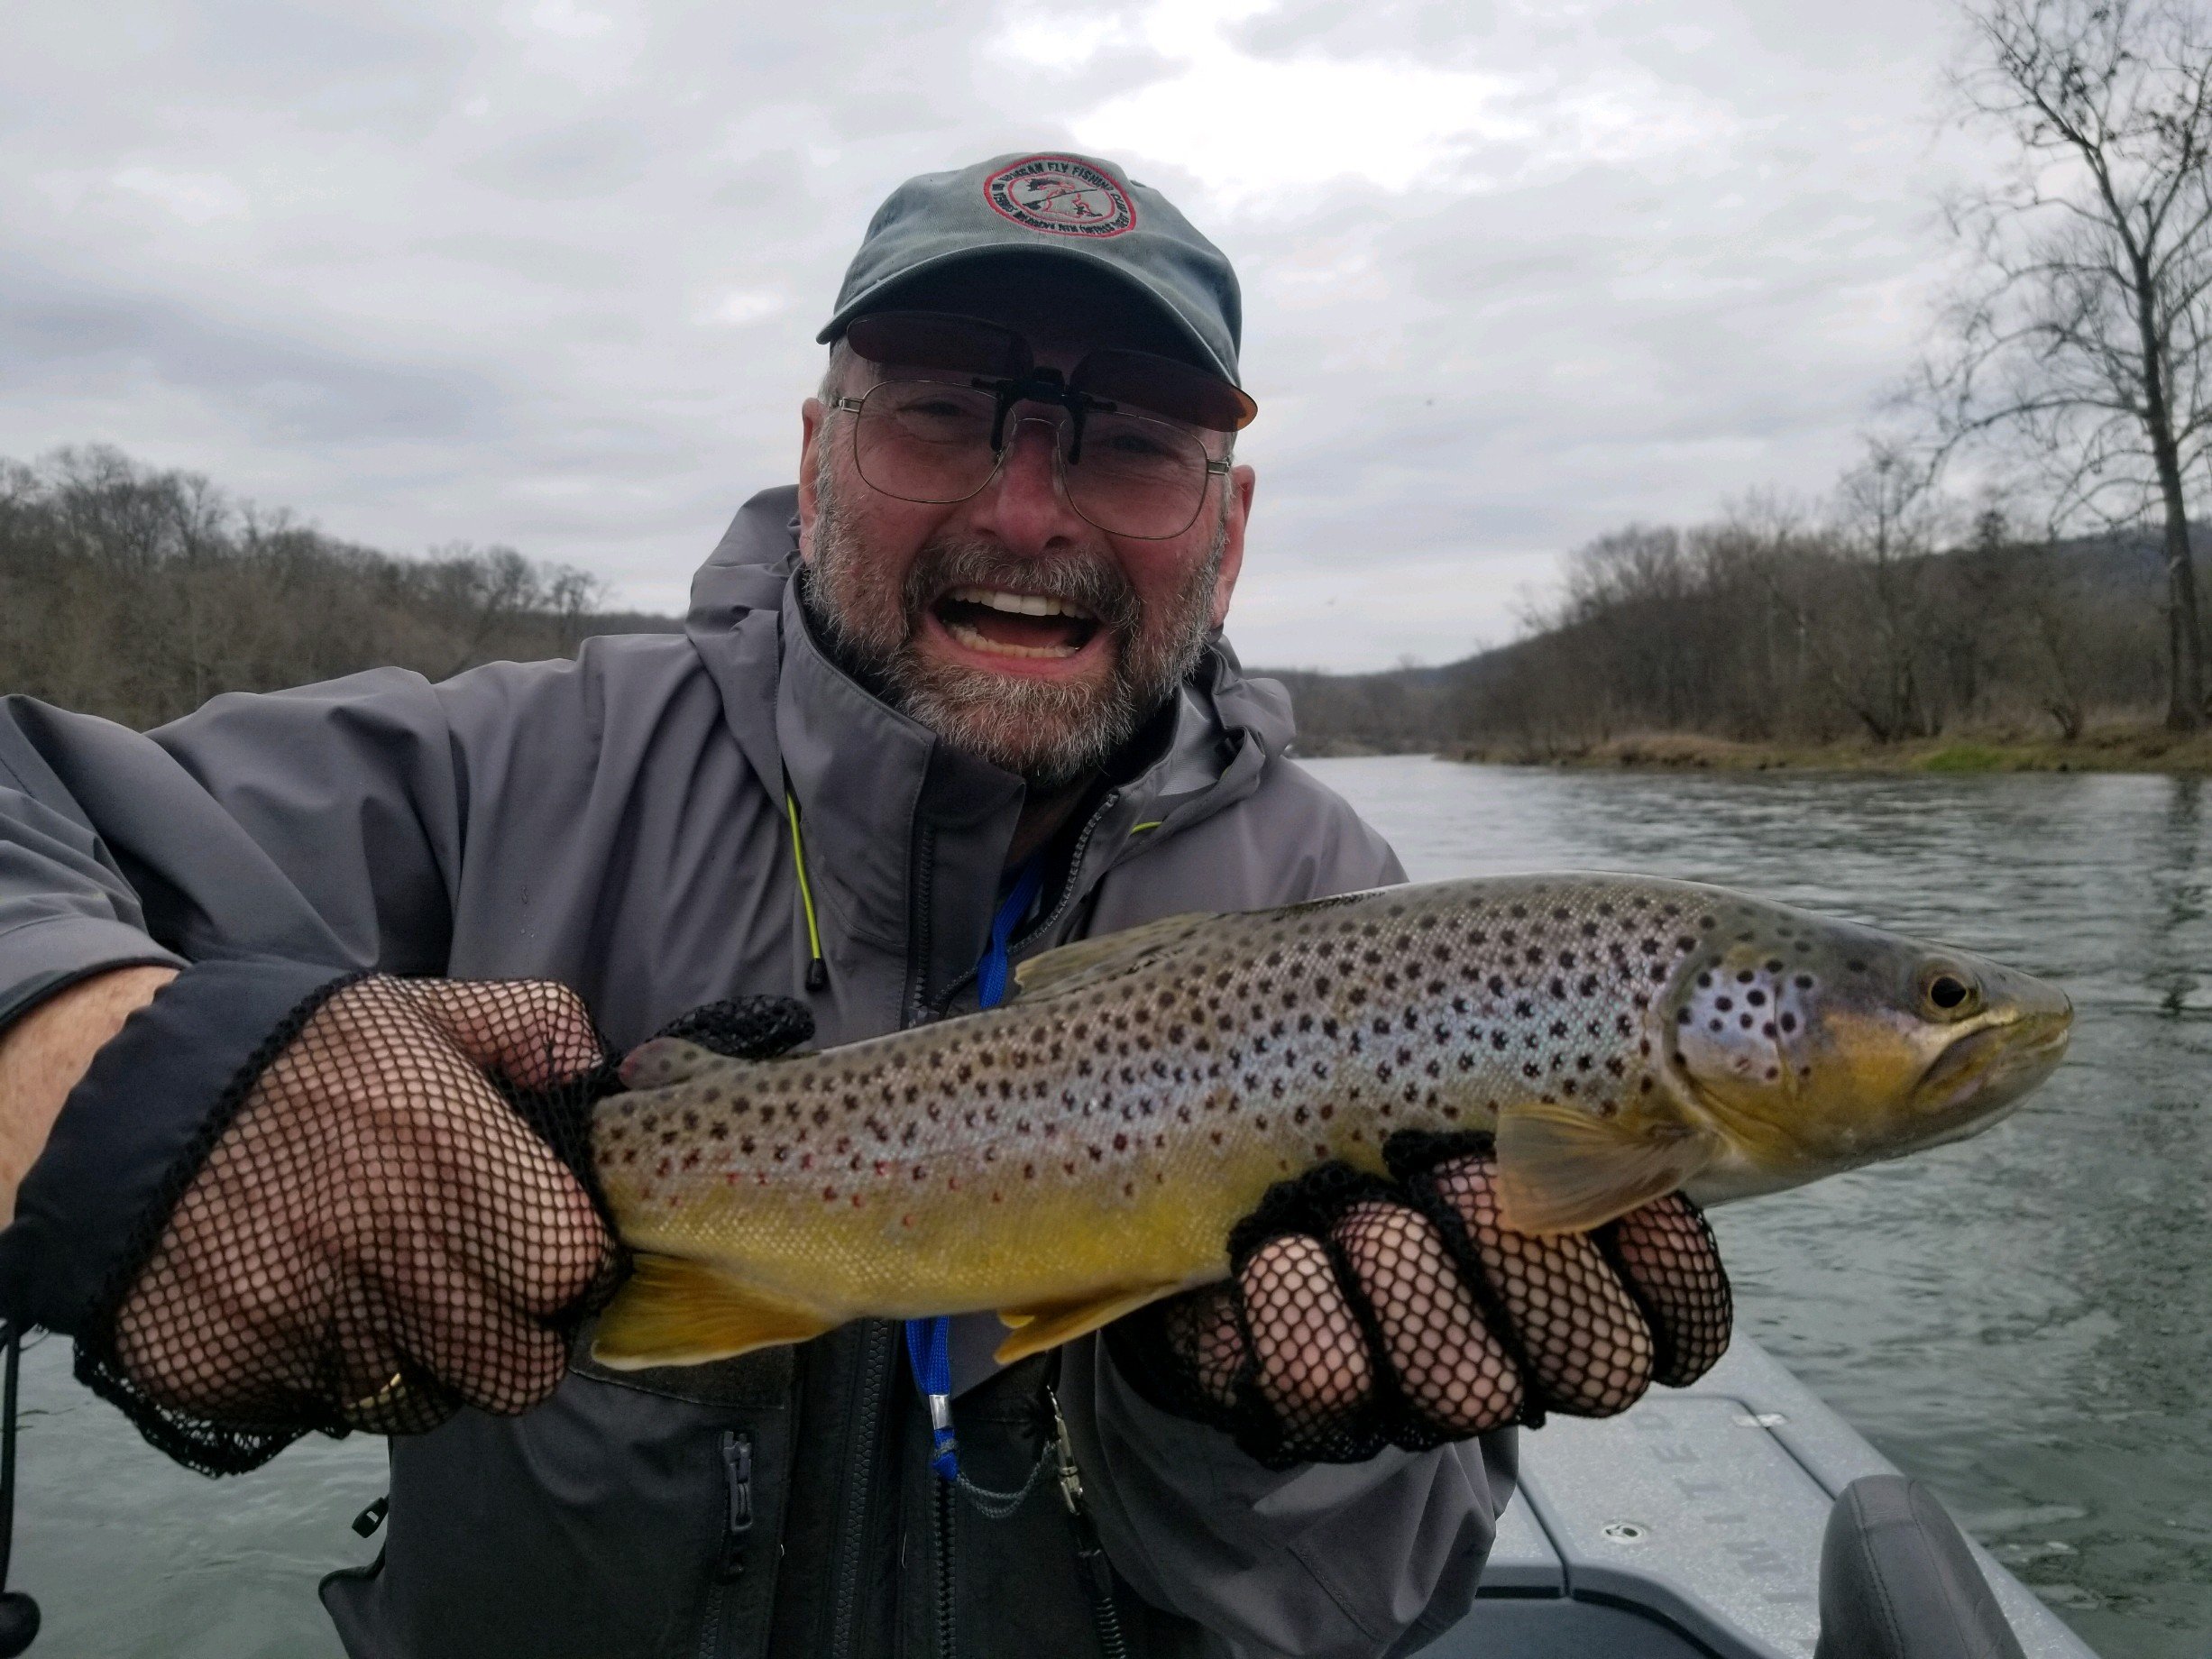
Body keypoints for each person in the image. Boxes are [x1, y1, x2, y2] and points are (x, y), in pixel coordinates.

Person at [0, 152, 1729, 1659]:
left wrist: (1255, 1436)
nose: (1026, 508)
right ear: (817, 452)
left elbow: (1378, 1607)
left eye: (1126, 444)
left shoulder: (1344, 909)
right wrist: (101, 1069)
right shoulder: (503, 775)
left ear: (1230, 522)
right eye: (940, 415)